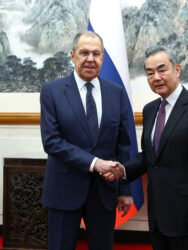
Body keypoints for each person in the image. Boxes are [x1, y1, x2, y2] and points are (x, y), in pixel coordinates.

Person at [105, 45, 188, 250]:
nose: (156, 77)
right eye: (149, 73)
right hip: (158, 215)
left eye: (162, 70)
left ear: (177, 69)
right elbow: (149, 157)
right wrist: (122, 171)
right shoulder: (150, 110)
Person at [40, 31, 133, 250]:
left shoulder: (117, 93)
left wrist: (125, 190)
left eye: (96, 53)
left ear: (102, 58)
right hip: (63, 191)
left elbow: (123, 145)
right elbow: (51, 141)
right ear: (72, 56)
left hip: (104, 192)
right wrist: (95, 163)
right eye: (84, 52)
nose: (90, 58)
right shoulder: (52, 91)